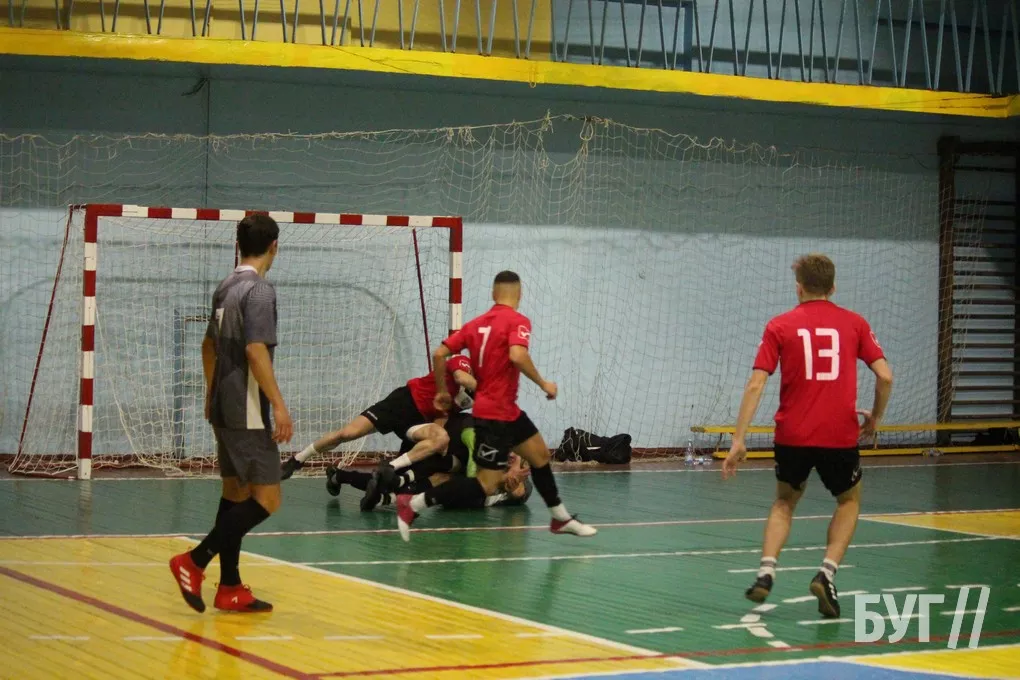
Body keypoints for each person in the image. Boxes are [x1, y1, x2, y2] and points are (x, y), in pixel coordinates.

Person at [723, 254, 893, 619]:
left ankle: (766, 572)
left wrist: (738, 440)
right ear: (833, 287)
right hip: (839, 435)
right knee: (848, 501)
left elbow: (756, 384)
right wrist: (876, 417)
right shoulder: (855, 323)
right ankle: (826, 574)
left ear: (798, 288)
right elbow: (885, 376)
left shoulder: (780, 325)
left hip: (792, 434)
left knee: (784, 501)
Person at [393, 270, 596, 541]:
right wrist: (543, 383)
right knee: (486, 485)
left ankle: (560, 518)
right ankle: (415, 503)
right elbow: (517, 354)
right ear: (519, 294)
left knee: (540, 456)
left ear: (493, 293)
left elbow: (440, 353)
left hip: (505, 412)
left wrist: (442, 391)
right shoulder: (518, 320)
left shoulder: (475, 324)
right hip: (495, 416)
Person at [169, 214, 292, 613]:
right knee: (267, 498)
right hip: (248, 408)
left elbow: (208, 345)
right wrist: (278, 404)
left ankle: (230, 587)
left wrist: (211, 390)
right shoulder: (259, 290)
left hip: (223, 403)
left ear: (238, 245)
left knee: (235, 493)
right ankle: (194, 561)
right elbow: (255, 350)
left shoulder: (225, 287)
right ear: (274, 246)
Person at [279, 356, 476, 494]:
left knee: (439, 439)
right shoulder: (463, 364)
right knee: (347, 434)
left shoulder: (471, 399)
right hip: (402, 403)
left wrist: (437, 444)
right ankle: (298, 459)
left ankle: (388, 468)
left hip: (418, 421)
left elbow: (442, 416)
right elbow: (461, 377)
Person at [326, 412, 534, 509]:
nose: (511, 457)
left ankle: (341, 477)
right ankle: (386, 486)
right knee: (433, 474)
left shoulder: (505, 469)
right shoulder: (482, 435)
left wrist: (513, 486)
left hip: (442, 459)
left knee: (437, 479)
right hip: (429, 445)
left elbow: (520, 492)